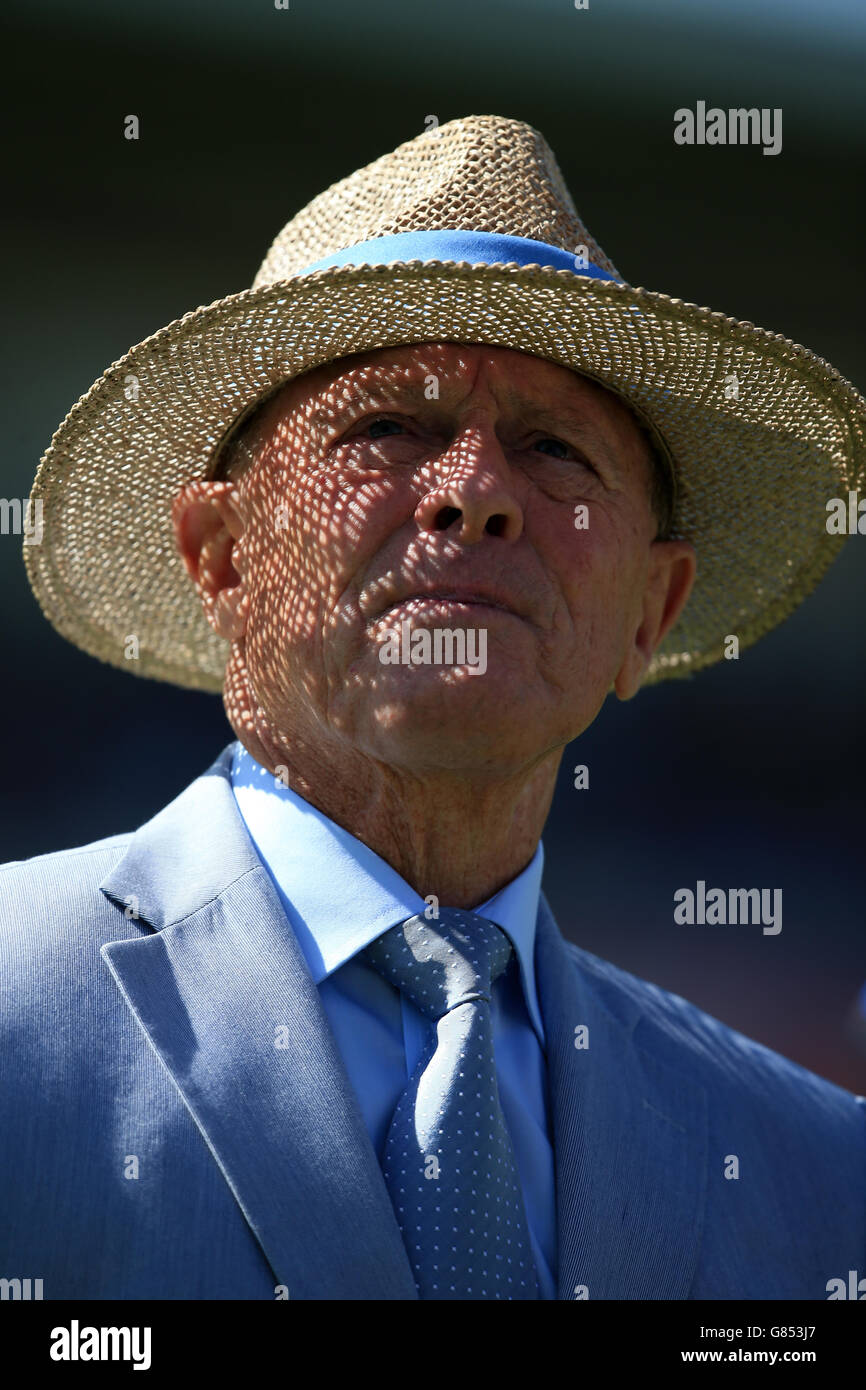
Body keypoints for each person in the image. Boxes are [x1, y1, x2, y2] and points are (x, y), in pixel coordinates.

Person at [2, 114, 864, 1301]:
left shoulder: (819, 1173)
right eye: (387, 429)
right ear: (222, 556)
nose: (473, 496)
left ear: (648, 614)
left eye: (555, 448)